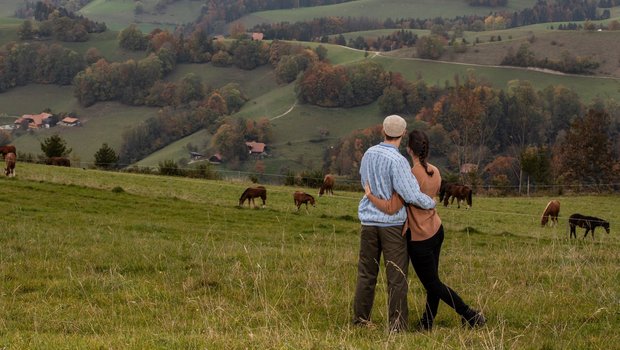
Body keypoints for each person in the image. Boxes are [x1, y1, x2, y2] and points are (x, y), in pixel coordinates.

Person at [364, 129, 486, 331]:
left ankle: (470, 315)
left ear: (409, 149)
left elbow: (392, 207)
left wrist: (370, 195)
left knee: (433, 284)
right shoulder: (435, 171)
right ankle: (427, 322)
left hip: (420, 237)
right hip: (437, 230)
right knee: (433, 281)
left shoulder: (410, 175)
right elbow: (432, 197)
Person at [353, 115, 436, 333]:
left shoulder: (368, 154)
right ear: (402, 134)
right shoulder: (398, 161)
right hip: (391, 226)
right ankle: (397, 327)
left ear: (383, 131)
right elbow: (410, 194)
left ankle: (361, 320)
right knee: (397, 276)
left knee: (366, 272)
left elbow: (364, 182)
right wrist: (431, 202)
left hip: (368, 222)